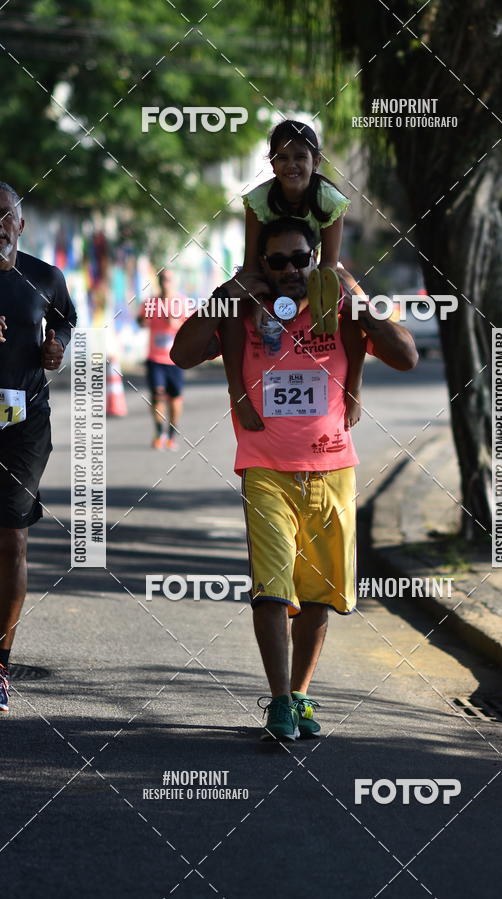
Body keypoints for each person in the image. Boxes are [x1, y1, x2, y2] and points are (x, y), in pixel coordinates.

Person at [171, 218, 418, 741]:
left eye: (299, 259)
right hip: (265, 469)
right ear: (262, 264)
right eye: (277, 260)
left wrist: (359, 301)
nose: (289, 270)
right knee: (272, 587)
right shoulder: (242, 312)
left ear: (314, 260)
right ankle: (279, 700)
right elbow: (182, 354)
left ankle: (300, 694)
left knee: (319, 594)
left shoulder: (340, 309)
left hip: (334, 470)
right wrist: (223, 296)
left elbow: (406, 356)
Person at [220, 120, 366, 433]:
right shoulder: (257, 201)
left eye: (300, 157)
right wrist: (256, 302)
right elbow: (251, 265)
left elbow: (328, 265)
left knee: (354, 303)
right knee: (232, 304)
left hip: (314, 270)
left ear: (317, 161)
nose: (291, 165)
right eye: (282, 158)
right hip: (268, 270)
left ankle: (354, 388)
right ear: (272, 163)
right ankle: (238, 392)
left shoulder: (329, 199)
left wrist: (302, 306)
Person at [0, 181, 77, 712]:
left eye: (4, 215)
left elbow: (65, 319)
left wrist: (56, 345)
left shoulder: (45, 276)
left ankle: (0, 665)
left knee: (12, 541)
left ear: (20, 224)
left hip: (23, 424)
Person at [139, 269, 186, 450]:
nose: (165, 282)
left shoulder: (183, 302)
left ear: (174, 282)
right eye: (162, 279)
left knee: (175, 399)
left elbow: (191, 327)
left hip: (175, 359)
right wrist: (143, 321)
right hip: (155, 359)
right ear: (158, 282)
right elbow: (140, 320)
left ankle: (172, 435)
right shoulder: (150, 303)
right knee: (157, 395)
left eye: (168, 279)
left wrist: (175, 323)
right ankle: (160, 433)